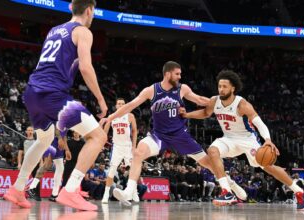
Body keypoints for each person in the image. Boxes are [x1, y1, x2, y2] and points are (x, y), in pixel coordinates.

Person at [3, 0, 108, 211]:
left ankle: (17, 188)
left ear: (71, 8)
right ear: (88, 10)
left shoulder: (54, 30)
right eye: (93, 12)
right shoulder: (83, 31)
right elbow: (86, 68)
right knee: (99, 137)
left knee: (44, 140)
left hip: (32, 92)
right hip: (52, 95)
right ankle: (70, 190)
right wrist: (100, 99)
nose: (93, 16)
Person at [101, 61, 242, 206]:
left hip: (180, 135)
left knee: (207, 162)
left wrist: (223, 102)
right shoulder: (151, 90)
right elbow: (130, 106)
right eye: (177, 74)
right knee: (139, 152)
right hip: (159, 136)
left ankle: (229, 183)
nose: (180, 77)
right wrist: (110, 117)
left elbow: (200, 100)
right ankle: (128, 192)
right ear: (167, 74)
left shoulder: (182, 89)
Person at [180, 70, 304, 210]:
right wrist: (187, 115)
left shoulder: (242, 104)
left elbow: (259, 123)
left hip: (247, 140)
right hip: (229, 139)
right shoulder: (214, 101)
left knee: (268, 167)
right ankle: (227, 192)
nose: (221, 90)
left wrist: (268, 140)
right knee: (212, 150)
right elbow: (205, 113)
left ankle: (298, 191)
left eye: (225, 87)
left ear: (233, 88)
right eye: (219, 86)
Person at [102, 98, 138, 203]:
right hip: (117, 147)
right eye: (119, 104)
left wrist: (134, 146)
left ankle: (134, 191)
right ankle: (105, 195)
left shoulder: (130, 116)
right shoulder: (111, 117)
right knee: (112, 170)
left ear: (125, 105)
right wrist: (102, 143)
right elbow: (105, 132)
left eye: (123, 103)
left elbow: (135, 131)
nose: (121, 105)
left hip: (128, 146)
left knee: (132, 170)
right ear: (116, 106)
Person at [26, 137, 70, 202]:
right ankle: (32, 187)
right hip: (54, 142)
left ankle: (54, 195)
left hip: (55, 141)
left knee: (60, 167)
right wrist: (67, 149)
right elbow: (60, 131)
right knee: (47, 165)